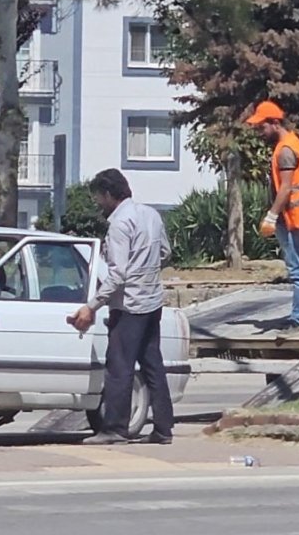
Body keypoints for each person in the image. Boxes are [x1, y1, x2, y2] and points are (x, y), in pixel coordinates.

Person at [68, 168, 175, 445]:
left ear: (108, 194)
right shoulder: (151, 215)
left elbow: (118, 274)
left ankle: (114, 428)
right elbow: (165, 252)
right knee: (153, 365)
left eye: (98, 198)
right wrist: (147, 272)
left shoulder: (119, 224)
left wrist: (91, 306)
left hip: (128, 306)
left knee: (119, 368)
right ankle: (163, 429)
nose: (97, 204)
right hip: (152, 302)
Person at [245, 99, 299, 330]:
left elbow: (286, 188)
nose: (259, 133)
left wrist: (272, 215)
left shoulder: (284, 151)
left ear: (274, 123)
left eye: (262, 127)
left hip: (293, 217)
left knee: (296, 270)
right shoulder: (293, 142)